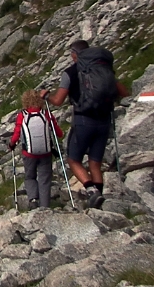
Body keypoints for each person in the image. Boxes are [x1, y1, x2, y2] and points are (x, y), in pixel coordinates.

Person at [47, 39, 129, 209]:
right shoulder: (103, 69)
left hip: (83, 120)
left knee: (73, 159)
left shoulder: (70, 72)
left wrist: (45, 96)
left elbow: (58, 100)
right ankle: (99, 202)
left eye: (71, 53)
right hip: (104, 120)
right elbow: (123, 93)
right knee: (95, 162)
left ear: (75, 54)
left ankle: (91, 190)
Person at [10, 89, 62, 209]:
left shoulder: (22, 115)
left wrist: (12, 144)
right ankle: (45, 206)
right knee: (44, 179)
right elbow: (58, 133)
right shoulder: (46, 114)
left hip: (29, 153)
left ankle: (33, 199)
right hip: (46, 153)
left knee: (30, 176)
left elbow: (17, 132)